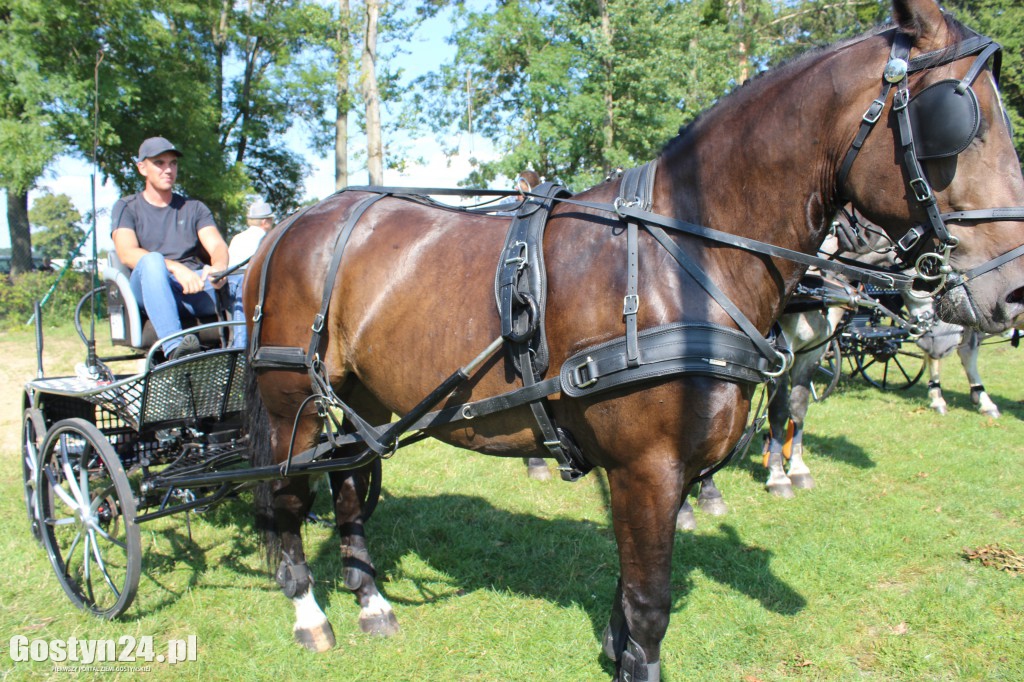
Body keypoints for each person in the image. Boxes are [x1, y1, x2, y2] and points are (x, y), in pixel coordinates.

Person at [111, 136, 229, 361]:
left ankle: (245, 355)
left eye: (173, 163)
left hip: (193, 285)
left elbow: (216, 244)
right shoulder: (127, 207)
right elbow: (127, 253)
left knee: (244, 279)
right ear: (142, 168)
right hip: (150, 286)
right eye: (159, 163)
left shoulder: (194, 208)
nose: (168, 169)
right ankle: (176, 351)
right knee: (153, 261)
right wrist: (175, 268)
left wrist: (219, 267)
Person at [226, 199, 276, 348]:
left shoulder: (237, 238)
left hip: (229, 283)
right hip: (247, 283)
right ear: (265, 222)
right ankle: (242, 349)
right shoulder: (266, 239)